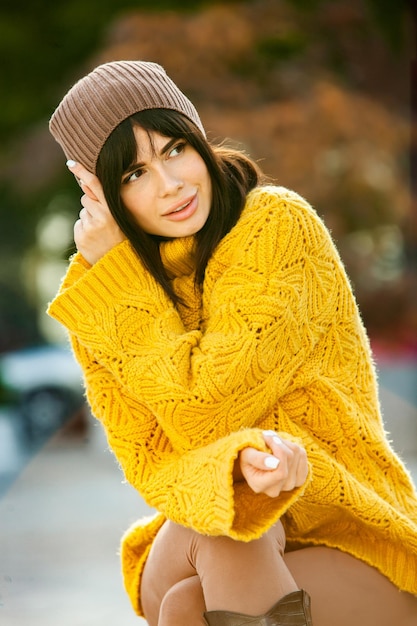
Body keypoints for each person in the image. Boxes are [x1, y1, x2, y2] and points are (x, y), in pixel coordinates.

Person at [47, 60, 417, 626]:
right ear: (98, 194)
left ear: (197, 139)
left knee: (199, 585)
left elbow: (203, 410)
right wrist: (239, 465)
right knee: (227, 520)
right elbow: (150, 460)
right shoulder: (104, 288)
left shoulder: (275, 227)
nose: (169, 185)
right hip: (199, 538)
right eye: (132, 175)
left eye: (174, 150)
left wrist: (244, 468)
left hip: (352, 536)